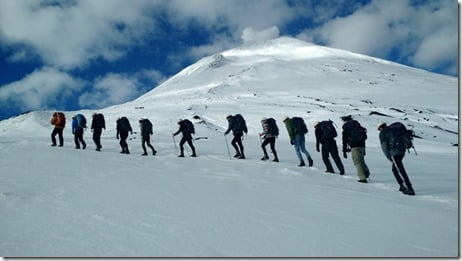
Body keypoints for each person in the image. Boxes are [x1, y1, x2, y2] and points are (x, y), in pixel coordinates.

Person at [378, 122, 415, 195]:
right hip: (402, 150)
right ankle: (401, 185)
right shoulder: (394, 129)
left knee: (400, 170)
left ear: (380, 128)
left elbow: (384, 147)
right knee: (394, 169)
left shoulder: (383, 133)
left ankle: (409, 188)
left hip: (394, 153)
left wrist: (390, 157)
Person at [341, 115, 370, 183]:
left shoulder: (346, 128)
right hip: (362, 145)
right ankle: (366, 172)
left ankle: (362, 178)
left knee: (357, 162)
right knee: (361, 160)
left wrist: (344, 150)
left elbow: (344, 140)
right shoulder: (357, 125)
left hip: (354, 146)